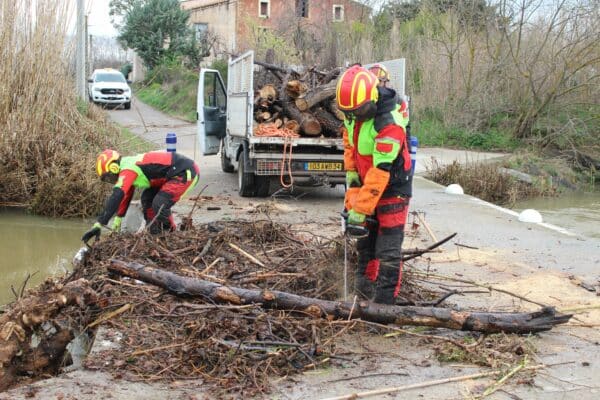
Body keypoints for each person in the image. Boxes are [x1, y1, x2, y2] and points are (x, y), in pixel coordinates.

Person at [337, 65, 412, 305]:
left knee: (387, 248)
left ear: (373, 97)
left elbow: (381, 171)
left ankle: (384, 305)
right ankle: (363, 293)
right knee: (365, 243)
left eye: (359, 111)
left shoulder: (389, 122)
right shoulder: (353, 115)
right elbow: (350, 145)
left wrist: (361, 209)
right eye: (350, 113)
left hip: (392, 186)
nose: (355, 116)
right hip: (367, 178)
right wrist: (353, 192)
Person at [82, 149, 200, 243]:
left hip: (185, 172)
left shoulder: (128, 168)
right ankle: (154, 233)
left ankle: (171, 235)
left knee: (159, 204)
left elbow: (117, 195)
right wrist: (118, 219)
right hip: (172, 174)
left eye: (109, 176)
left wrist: (99, 223)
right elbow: (126, 196)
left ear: (113, 167)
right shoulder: (128, 166)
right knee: (147, 198)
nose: (111, 180)